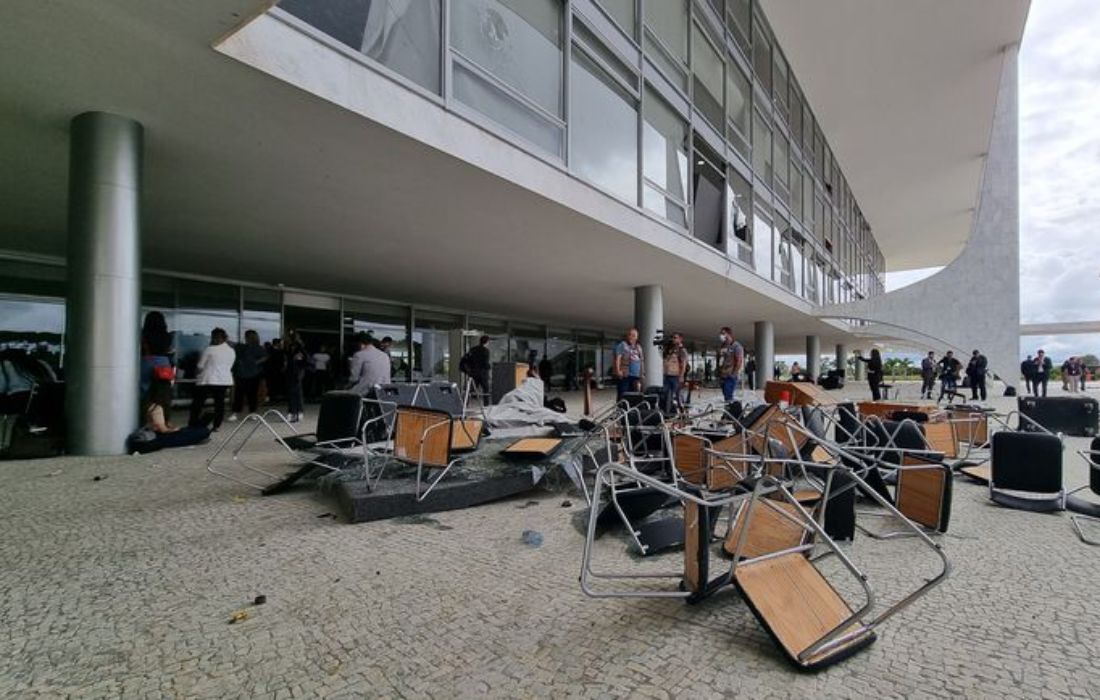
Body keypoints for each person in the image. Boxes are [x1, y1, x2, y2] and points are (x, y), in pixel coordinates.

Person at [189, 328, 235, 430]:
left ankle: (193, 423)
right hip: (224, 380)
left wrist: (196, 374)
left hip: (208, 379)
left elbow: (200, 366)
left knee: (198, 402)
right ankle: (216, 425)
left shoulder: (209, 349)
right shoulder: (231, 351)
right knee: (219, 404)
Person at [229, 330, 266, 422]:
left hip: (253, 375)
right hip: (241, 374)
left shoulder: (258, 348)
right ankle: (235, 412)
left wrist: (255, 362)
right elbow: (232, 344)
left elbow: (265, 357)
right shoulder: (241, 347)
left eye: (247, 336)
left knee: (252, 395)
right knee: (239, 395)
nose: (246, 338)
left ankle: (253, 413)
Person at [140, 310, 174, 400]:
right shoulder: (167, 336)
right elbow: (169, 350)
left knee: (144, 391)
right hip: (164, 363)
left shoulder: (144, 335)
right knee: (162, 391)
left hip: (148, 361)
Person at [612, 328, 644, 399]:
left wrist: (641, 374)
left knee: (634, 396)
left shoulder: (639, 347)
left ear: (637, 337)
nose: (631, 337)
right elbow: (618, 358)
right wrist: (618, 371)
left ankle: (631, 410)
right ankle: (621, 409)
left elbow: (641, 361)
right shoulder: (622, 345)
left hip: (636, 376)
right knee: (622, 395)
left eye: (633, 335)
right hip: (625, 375)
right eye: (629, 334)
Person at [284, 331, 309, 422]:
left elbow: (306, 360)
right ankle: (294, 411)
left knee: (296, 392)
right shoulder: (289, 348)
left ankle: (296, 411)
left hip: (297, 372)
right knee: (292, 392)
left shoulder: (300, 348)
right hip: (291, 372)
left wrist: (298, 362)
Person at [717, 327, 744, 402]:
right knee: (725, 395)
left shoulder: (736, 346)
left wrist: (733, 374)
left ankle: (730, 411)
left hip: (730, 375)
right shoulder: (723, 346)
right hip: (723, 375)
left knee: (728, 395)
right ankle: (727, 411)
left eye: (723, 333)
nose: (721, 335)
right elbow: (721, 359)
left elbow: (739, 361)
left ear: (728, 334)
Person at [662, 332, 689, 409]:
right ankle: (669, 411)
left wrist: (681, 376)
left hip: (676, 377)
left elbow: (684, 364)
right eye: (672, 337)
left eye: (675, 337)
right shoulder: (670, 349)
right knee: (666, 395)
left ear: (680, 339)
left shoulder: (682, 350)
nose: (673, 339)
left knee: (678, 396)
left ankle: (682, 413)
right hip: (668, 376)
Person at [264, 338, 286, 402]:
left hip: (272, 371)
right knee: (273, 385)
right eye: (281, 343)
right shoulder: (278, 352)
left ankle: (272, 398)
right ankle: (273, 398)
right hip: (274, 371)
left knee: (272, 385)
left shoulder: (269, 350)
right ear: (278, 343)